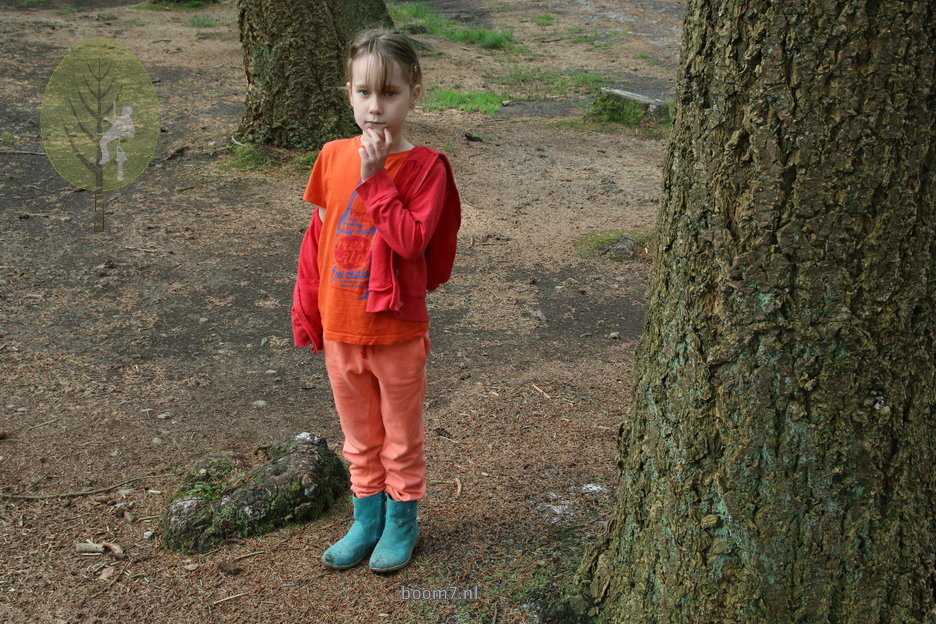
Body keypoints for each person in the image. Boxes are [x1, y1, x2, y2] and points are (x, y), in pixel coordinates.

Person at [291, 29, 461, 574]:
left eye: (389, 93)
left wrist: (374, 181)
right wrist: (308, 309)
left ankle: (401, 522)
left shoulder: (427, 167)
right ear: (349, 94)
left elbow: (411, 240)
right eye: (364, 93)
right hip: (342, 329)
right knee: (359, 438)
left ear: (414, 92)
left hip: (396, 333)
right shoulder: (330, 155)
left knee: (400, 439)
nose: (375, 106)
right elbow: (317, 240)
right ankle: (366, 520)